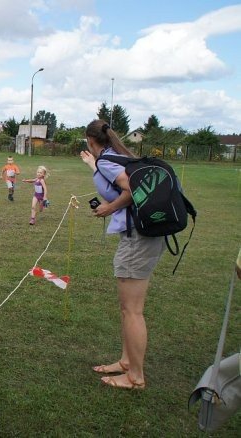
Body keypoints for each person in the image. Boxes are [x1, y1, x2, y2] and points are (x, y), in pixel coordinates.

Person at [80, 119, 166, 390]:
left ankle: (135, 377)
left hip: (137, 238)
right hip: (145, 234)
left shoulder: (107, 161)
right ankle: (126, 362)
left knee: (132, 311)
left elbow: (132, 190)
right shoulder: (122, 156)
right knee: (128, 309)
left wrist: (109, 208)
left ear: (91, 141)